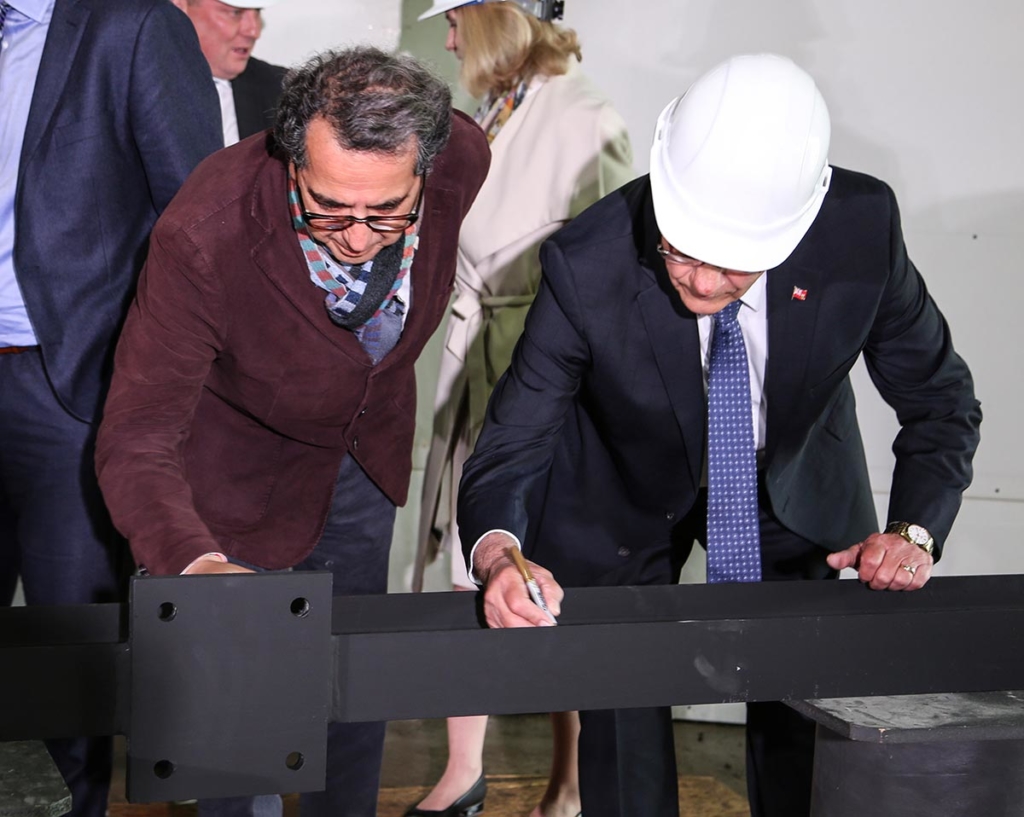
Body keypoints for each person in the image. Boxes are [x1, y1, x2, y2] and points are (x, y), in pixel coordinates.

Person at [457, 54, 982, 817]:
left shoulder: (859, 231)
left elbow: (940, 399)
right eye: (680, 248)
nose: (701, 281)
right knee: (621, 708)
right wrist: (499, 549)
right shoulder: (588, 261)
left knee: (800, 714)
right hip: (622, 489)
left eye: (735, 264)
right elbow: (515, 437)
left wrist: (914, 530)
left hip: (791, 479)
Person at [95, 46, 489, 817]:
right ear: (288, 159)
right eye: (329, 207)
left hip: (360, 466)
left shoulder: (460, 156)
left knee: (351, 695)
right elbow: (136, 432)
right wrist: (195, 563)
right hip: (234, 489)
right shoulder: (203, 233)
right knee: (239, 728)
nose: (357, 235)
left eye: (387, 211)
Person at [409, 1, 633, 816]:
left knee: (548, 576)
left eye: (457, 19)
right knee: (473, 562)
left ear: (497, 16)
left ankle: (569, 781)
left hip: (548, 391)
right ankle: (463, 766)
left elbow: (614, 281)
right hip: (479, 373)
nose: (447, 38)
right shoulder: (495, 108)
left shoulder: (586, 117)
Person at [0, 0, 221, 814]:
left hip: (70, 389)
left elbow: (198, 224)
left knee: (72, 654)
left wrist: (141, 387)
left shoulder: (133, 26)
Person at [172, 0, 286, 144]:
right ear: (180, 7)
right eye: (235, 12)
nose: (253, 31)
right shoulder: (142, 86)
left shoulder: (282, 90)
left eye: (258, 12)